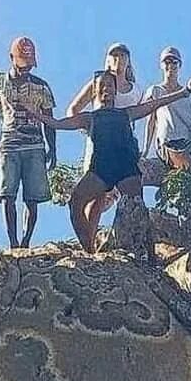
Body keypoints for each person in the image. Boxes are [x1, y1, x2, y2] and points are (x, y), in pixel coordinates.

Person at [34, 68, 191, 254]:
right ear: (95, 91)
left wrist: (185, 92)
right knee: (76, 202)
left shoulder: (125, 113)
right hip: (100, 170)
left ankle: (150, 257)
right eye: (101, 86)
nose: (105, 89)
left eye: (109, 85)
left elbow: (156, 104)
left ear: (115, 90)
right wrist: (37, 115)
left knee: (138, 208)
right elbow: (58, 123)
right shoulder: (90, 118)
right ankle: (89, 250)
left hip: (127, 169)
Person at [67, 42, 143, 245]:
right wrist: (89, 129)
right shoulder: (98, 81)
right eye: (114, 55)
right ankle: (89, 242)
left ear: (129, 60)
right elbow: (73, 110)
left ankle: (125, 240)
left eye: (123, 54)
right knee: (96, 196)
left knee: (118, 197)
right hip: (99, 143)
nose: (119, 58)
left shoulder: (134, 89)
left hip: (124, 149)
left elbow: (138, 114)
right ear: (108, 59)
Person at [0, 36, 57, 250]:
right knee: (7, 194)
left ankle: (26, 240)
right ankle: (13, 242)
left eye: (29, 65)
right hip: (9, 142)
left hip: (35, 145)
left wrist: (53, 149)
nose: (25, 69)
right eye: (22, 64)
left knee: (33, 197)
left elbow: (49, 120)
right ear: (12, 58)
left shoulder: (41, 86)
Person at [142, 46, 191, 173]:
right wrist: (146, 150)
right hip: (169, 143)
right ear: (161, 65)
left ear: (179, 65)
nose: (171, 65)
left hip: (190, 143)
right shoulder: (156, 91)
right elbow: (151, 121)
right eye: (167, 62)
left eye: (174, 62)